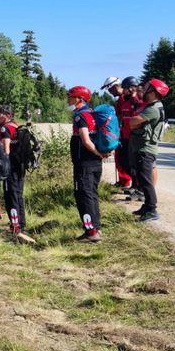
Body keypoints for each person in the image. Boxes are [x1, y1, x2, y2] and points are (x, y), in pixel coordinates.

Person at [68, 85, 110, 243]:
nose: (68, 99)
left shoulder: (81, 116)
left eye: (71, 97)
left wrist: (98, 153)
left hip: (84, 163)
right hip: (94, 163)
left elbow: (85, 140)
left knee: (83, 195)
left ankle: (91, 233)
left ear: (80, 99)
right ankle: (96, 228)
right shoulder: (92, 113)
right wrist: (99, 155)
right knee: (91, 194)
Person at [129, 79, 170, 222]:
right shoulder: (153, 106)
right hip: (144, 148)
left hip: (146, 150)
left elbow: (133, 122)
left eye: (146, 88)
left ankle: (152, 209)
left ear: (153, 92)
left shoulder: (153, 109)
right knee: (143, 179)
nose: (143, 90)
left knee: (146, 181)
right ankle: (147, 206)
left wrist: (133, 122)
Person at [103, 76, 143, 191]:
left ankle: (135, 184)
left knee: (131, 161)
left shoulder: (134, 100)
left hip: (132, 136)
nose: (110, 93)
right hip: (123, 134)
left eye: (110, 90)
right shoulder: (122, 100)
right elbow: (119, 116)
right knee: (122, 159)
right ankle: (128, 182)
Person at [0, 105, 28, 236]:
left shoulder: (5, 128)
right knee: (18, 195)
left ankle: (15, 226)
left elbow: (6, 149)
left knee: (11, 196)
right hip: (20, 166)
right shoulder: (16, 126)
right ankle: (21, 224)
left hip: (11, 167)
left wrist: (3, 165)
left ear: (6, 115)